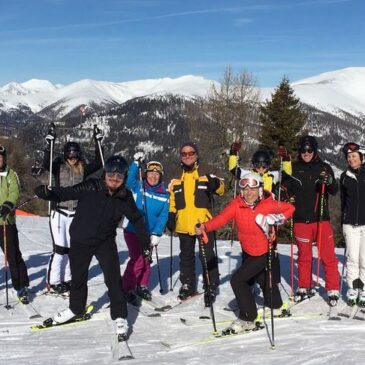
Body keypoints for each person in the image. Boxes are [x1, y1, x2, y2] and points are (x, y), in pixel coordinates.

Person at [34, 155, 151, 338]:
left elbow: (137, 219)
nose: (114, 180)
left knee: (113, 279)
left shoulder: (125, 197)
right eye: (111, 175)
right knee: (78, 278)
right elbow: (66, 193)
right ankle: (76, 309)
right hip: (80, 240)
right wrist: (49, 193)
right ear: (104, 174)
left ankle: (120, 315)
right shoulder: (91, 186)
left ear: (124, 178)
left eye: (119, 177)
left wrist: (145, 245)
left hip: (105, 242)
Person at [195, 172, 294, 333]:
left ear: (260, 190)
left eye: (252, 189)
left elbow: (290, 208)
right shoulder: (237, 204)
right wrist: (205, 227)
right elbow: (222, 218)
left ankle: (248, 317)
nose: (248, 193)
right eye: (245, 189)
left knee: (237, 280)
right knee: (262, 279)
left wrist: (276, 219)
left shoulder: (268, 204)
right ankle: (275, 305)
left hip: (264, 251)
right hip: (248, 251)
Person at [42, 128, 103, 295]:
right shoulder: (58, 167)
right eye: (69, 155)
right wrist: (49, 145)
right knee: (60, 250)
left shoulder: (83, 168)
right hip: (59, 213)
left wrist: (98, 141)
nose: (72, 158)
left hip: (76, 213)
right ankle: (53, 282)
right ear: (65, 155)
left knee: (72, 250)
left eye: (75, 155)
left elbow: (99, 163)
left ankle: (68, 278)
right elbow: (45, 165)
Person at [282, 135, 340, 305]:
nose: (306, 153)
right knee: (304, 256)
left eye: (309, 150)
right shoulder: (293, 168)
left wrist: (328, 181)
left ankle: (333, 288)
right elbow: (284, 188)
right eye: (303, 150)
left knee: (328, 256)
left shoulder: (324, 167)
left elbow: (334, 190)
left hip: (321, 219)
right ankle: (303, 285)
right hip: (300, 219)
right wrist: (286, 194)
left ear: (314, 151)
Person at [167, 142, 224, 306]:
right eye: (184, 154)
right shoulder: (175, 174)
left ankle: (211, 284)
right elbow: (172, 198)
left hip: (204, 223)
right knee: (185, 256)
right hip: (183, 223)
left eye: (191, 153)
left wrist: (216, 185)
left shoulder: (207, 170)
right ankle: (188, 284)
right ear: (180, 156)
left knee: (207, 255)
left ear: (196, 154)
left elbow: (222, 189)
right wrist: (171, 215)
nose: (188, 156)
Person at [123, 153, 169, 304]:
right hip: (132, 230)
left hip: (149, 233)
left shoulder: (164, 195)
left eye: (157, 174)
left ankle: (142, 285)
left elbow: (163, 216)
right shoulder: (138, 186)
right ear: (146, 173)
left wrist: (157, 233)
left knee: (146, 259)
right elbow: (128, 181)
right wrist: (136, 164)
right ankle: (126, 287)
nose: (153, 177)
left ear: (160, 176)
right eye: (151, 173)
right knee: (137, 259)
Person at [0, 145, 30, 304]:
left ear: (4, 158)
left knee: (13, 255)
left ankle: (21, 286)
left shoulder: (11, 174)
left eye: (0, 157)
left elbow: (14, 192)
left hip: (6, 222)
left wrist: (7, 205)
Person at [340, 142, 365, 306]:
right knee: (352, 258)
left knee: (364, 259)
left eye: (354, 156)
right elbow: (343, 200)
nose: (351, 159)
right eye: (349, 157)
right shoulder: (344, 177)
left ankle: (363, 290)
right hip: (350, 224)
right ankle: (352, 289)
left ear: (361, 158)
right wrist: (344, 218)